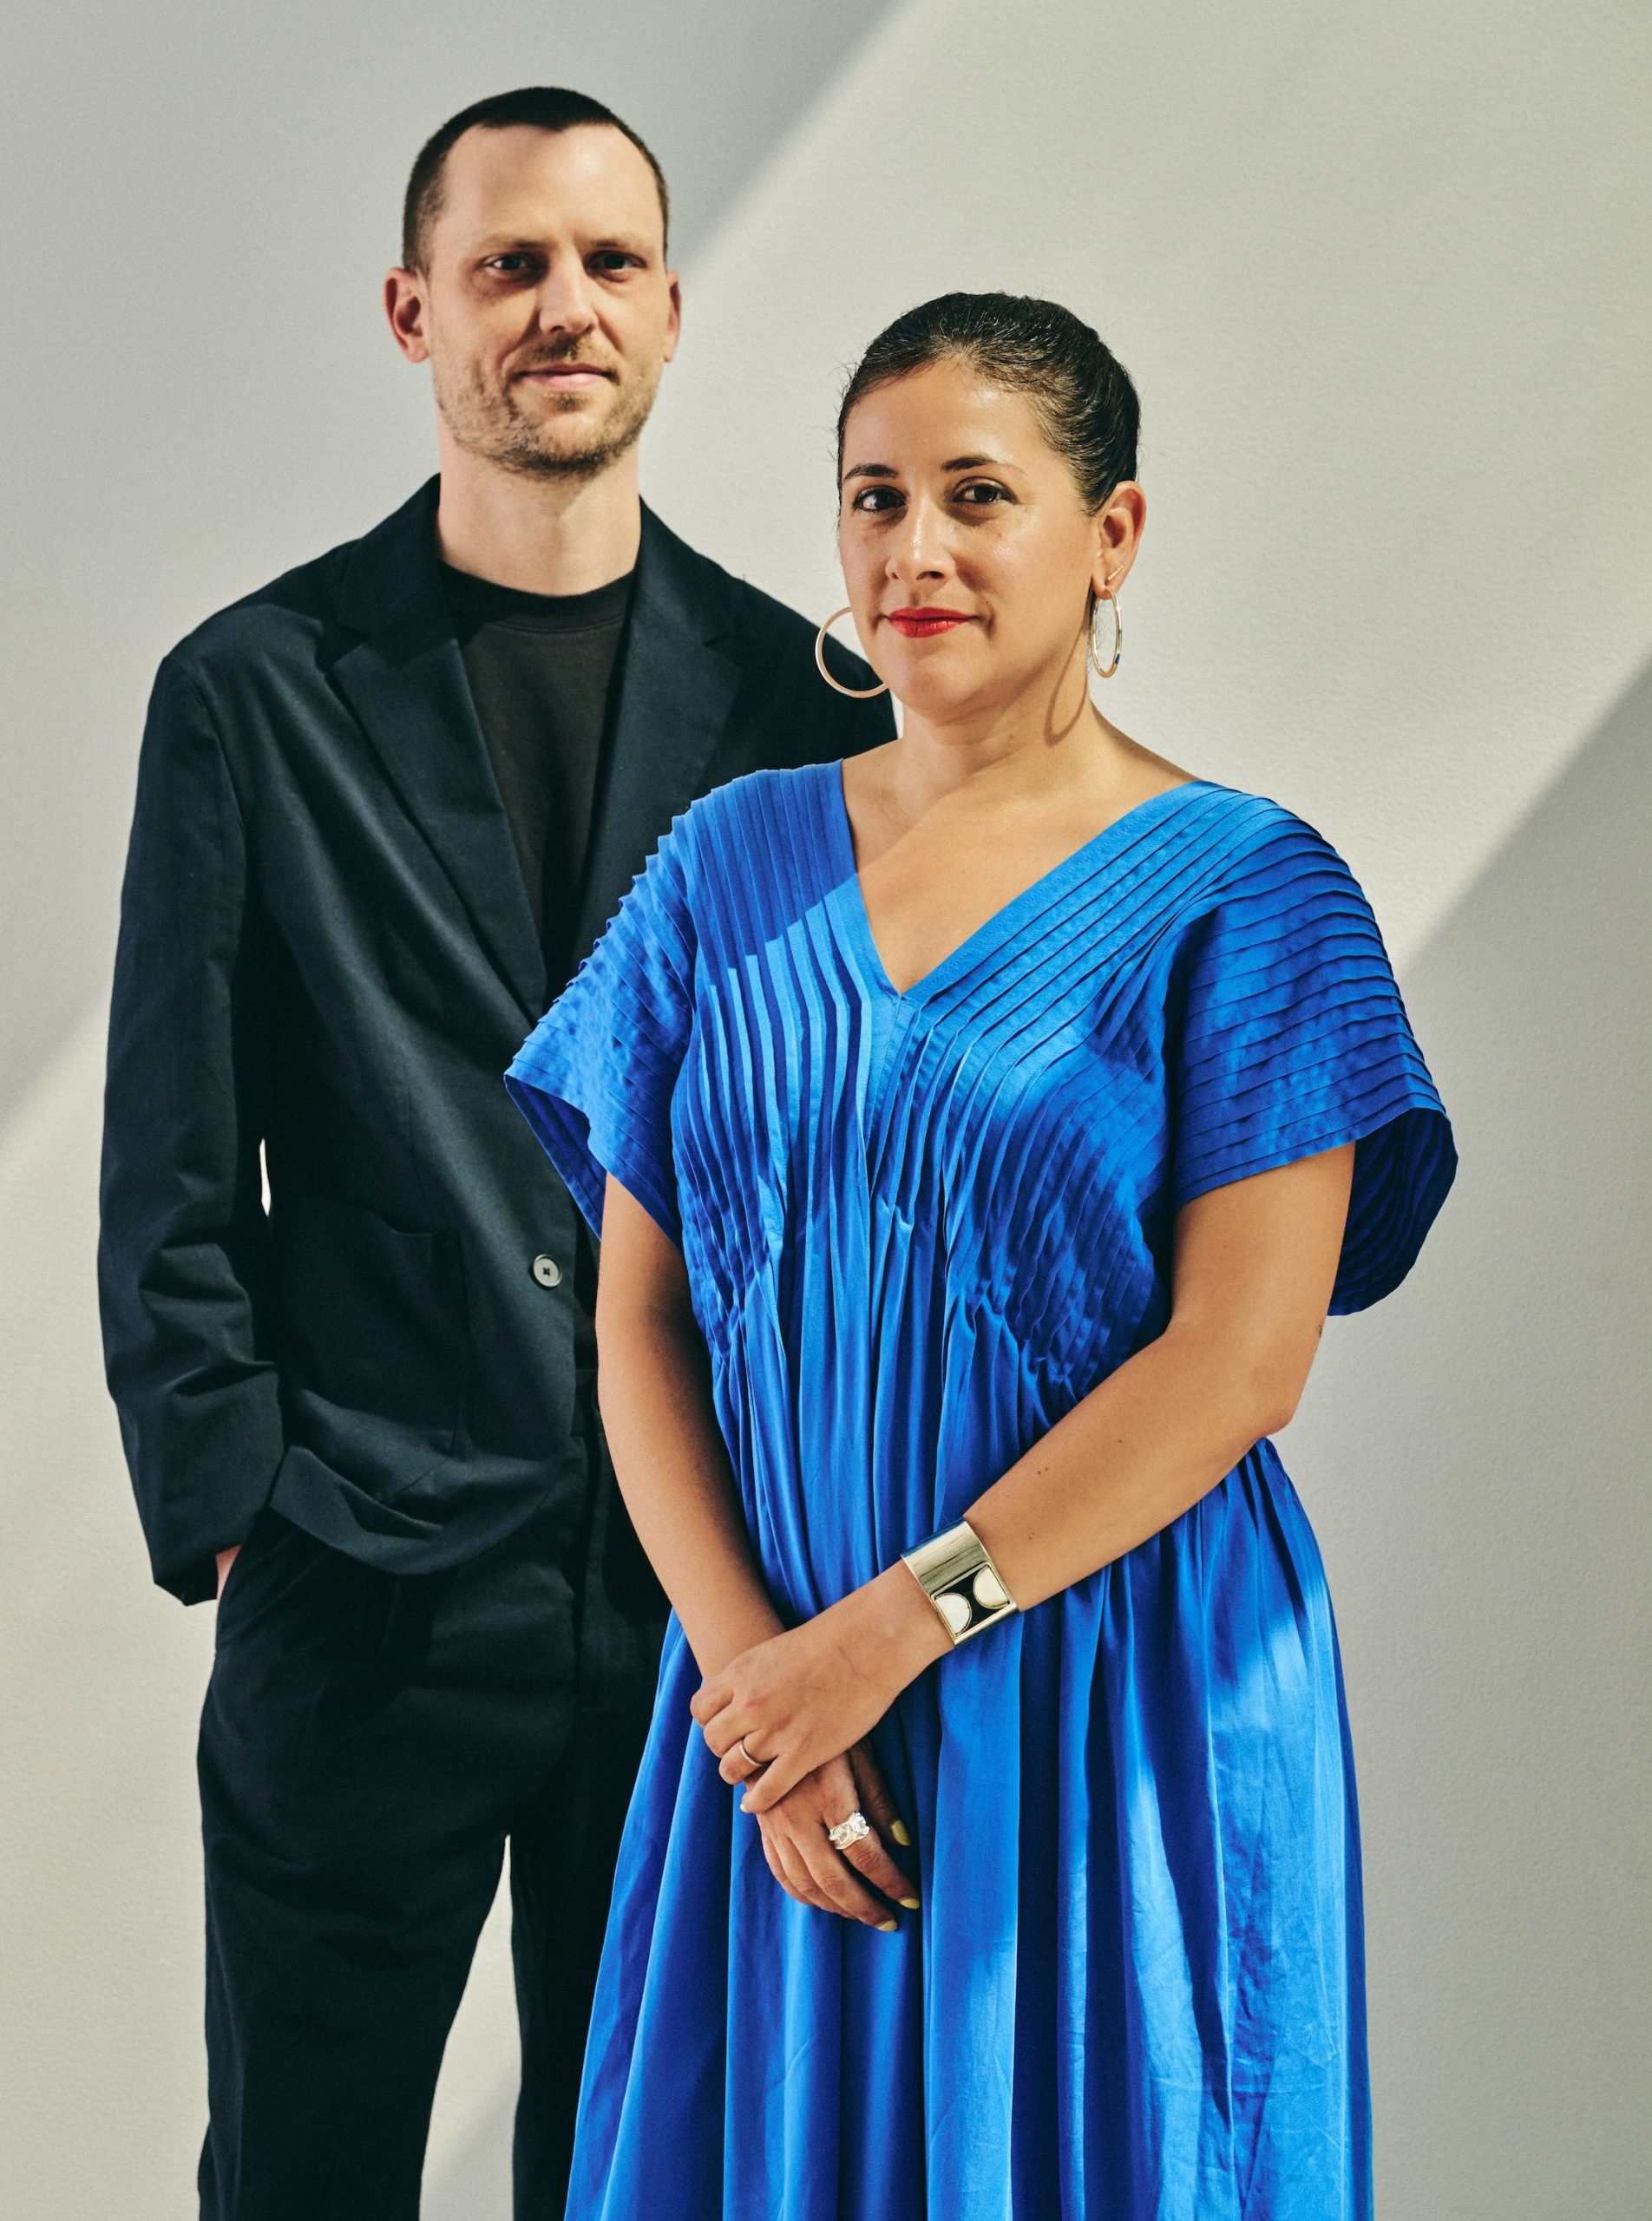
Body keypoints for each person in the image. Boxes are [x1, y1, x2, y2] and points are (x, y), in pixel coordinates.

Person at [505, 291, 1457, 2219]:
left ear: (1110, 536)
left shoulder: (1250, 887)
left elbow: (1238, 1363)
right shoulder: (721, 863)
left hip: (1114, 1689)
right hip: (775, 1719)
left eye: (975, 495)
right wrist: (761, 1692)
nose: (911, 551)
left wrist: (887, 1632)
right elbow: (636, 1321)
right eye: (872, 498)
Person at [96, 87, 891, 2221]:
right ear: (411, 309)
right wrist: (244, 1508)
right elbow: (168, 1156)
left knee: (648, 2178)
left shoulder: (812, 706)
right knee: (301, 2175)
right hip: (357, 1582)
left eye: (607, 263)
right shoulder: (250, 691)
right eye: (511, 265)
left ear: (670, 309)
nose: (564, 307)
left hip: (703, 1594)